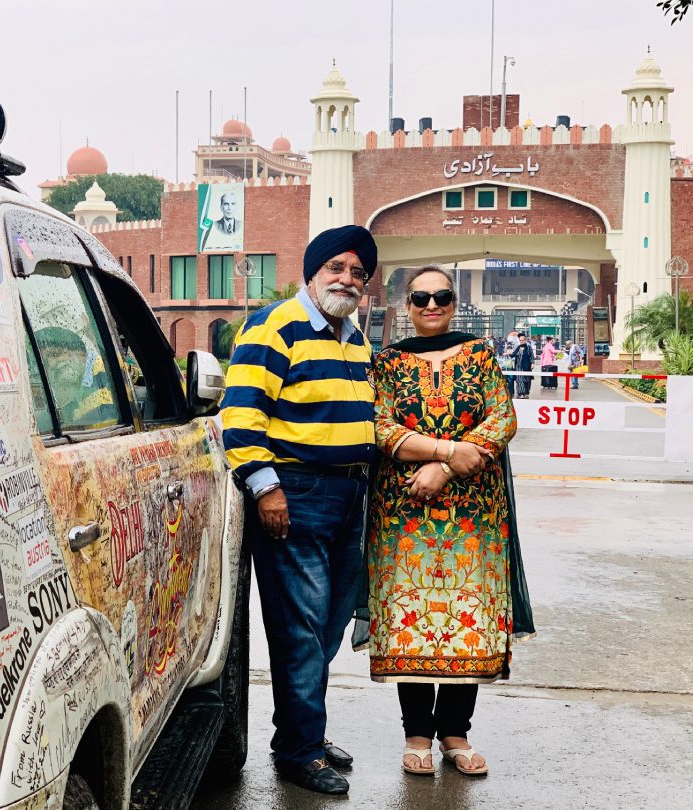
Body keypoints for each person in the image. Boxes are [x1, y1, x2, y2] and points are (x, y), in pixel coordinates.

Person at [221, 224, 378, 796]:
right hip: (297, 496)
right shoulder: (274, 325)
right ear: (313, 271)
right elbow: (240, 416)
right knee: (301, 629)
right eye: (337, 267)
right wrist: (267, 489)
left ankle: (301, 732)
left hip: (347, 496)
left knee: (329, 626)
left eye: (359, 273)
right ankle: (299, 752)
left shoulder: (352, 337)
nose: (348, 279)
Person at [363, 264, 534, 778]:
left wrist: (446, 466)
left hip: (474, 511)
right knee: (413, 619)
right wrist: (440, 453)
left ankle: (456, 734)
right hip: (405, 510)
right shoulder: (387, 363)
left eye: (442, 296)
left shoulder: (480, 355)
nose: (432, 305)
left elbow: (502, 418)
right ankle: (416, 733)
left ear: (455, 302)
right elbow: (377, 421)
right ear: (406, 305)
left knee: (466, 618)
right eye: (421, 297)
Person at [511, 332, 534, 398]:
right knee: (519, 380)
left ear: (525, 340)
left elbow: (531, 355)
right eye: (520, 340)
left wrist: (532, 363)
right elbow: (513, 354)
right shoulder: (518, 347)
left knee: (526, 380)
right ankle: (520, 393)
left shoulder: (529, 347)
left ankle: (526, 393)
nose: (521, 341)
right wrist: (508, 354)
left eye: (522, 340)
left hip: (526, 366)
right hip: (518, 366)